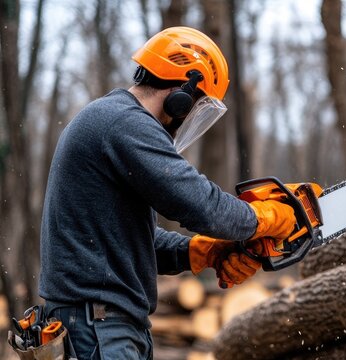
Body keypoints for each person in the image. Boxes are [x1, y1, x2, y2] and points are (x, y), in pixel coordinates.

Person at [38, 26, 295, 359]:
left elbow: (129, 240)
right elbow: (202, 206)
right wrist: (266, 217)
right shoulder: (124, 122)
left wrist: (201, 251)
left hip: (99, 324)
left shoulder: (110, 119)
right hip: (98, 327)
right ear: (183, 93)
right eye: (197, 107)